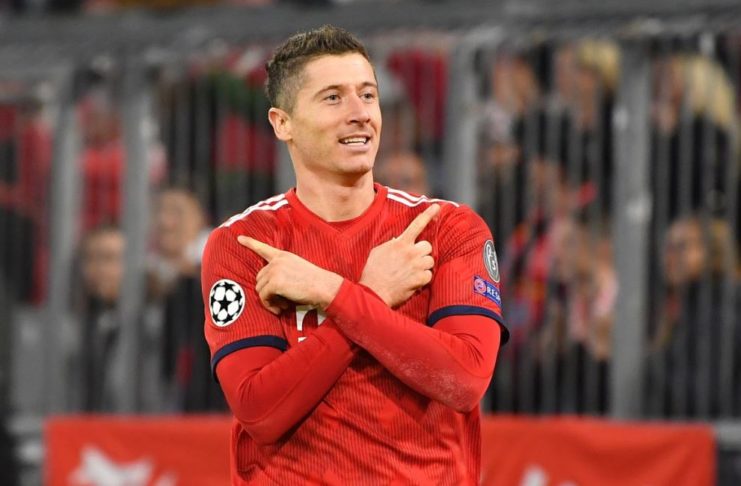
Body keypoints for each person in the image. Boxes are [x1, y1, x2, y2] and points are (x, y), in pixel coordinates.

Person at [201, 25, 508, 484]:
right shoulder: (245, 243)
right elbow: (260, 411)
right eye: (333, 98)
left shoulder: (447, 228)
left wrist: (334, 293)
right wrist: (371, 294)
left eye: (368, 95)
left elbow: (463, 379)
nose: (360, 113)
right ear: (282, 123)